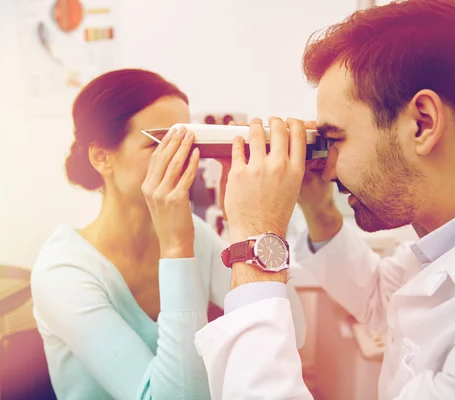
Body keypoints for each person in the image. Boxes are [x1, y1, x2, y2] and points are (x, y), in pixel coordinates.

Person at [152, 0, 455, 398]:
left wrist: (255, 242)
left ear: (422, 123)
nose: (328, 168)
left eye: (335, 139)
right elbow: (379, 300)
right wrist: (316, 207)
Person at [30, 69, 306, 400]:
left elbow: (294, 333)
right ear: (102, 157)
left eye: (190, 142)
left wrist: (252, 220)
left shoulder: (196, 234)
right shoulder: (62, 274)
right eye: (161, 143)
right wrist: (176, 249)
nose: (185, 159)